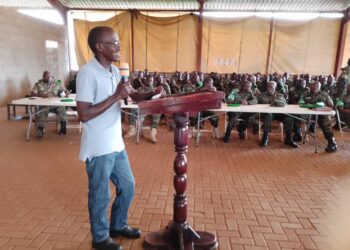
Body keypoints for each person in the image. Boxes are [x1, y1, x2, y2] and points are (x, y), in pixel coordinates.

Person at [76, 26, 162, 250]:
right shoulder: (87, 73)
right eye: (113, 42)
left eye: (118, 42)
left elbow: (130, 95)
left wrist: (150, 93)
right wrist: (115, 96)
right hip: (98, 147)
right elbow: (83, 114)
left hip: (115, 143)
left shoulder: (114, 71)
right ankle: (100, 238)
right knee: (100, 195)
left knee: (128, 185)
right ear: (99, 47)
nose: (118, 46)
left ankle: (118, 225)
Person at [257, 81, 298, 148]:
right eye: (269, 86)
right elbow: (256, 104)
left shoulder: (280, 95)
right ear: (267, 87)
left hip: (279, 113)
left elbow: (285, 104)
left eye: (272, 86)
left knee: (289, 118)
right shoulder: (261, 95)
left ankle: (288, 139)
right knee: (268, 117)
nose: (270, 88)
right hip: (268, 114)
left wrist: (277, 102)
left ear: (275, 87)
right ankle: (265, 138)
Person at [302, 81, 337, 153]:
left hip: (320, 114)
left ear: (320, 87)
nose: (315, 87)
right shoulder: (306, 94)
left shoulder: (324, 94)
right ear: (310, 86)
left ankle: (332, 142)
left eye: (317, 86)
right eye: (313, 86)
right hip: (308, 114)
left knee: (325, 122)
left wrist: (324, 108)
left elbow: (330, 104)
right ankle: (296, 135)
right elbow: (300, 103)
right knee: (296, 117)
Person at [31, 71, 69, 138]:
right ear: (43, 77)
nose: (48, 78)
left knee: (62, 108)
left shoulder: (56, 84)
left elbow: (66, 91)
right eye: (46, 76)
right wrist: (41, 95)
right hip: (44, 105)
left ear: (51, 77)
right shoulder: (38, 84)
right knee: (42, 112)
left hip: (55, 105)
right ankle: (40, 130)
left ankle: (63, 126)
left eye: (49, 76)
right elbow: (32, 93)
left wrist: (67, 93)